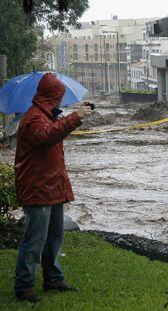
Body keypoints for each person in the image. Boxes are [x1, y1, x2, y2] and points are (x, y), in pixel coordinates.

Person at [13, 72, 92, 302]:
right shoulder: (33, 118)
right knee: (35, 239)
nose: (60, 100)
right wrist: (74, 117)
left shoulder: (46, 115)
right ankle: (24, 285)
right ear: (52, 96)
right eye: (59, 96)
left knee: (54, 236)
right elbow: (45, 137)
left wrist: (67, 117)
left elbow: (52, 134)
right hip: (39, 188)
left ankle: (53, 278)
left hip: (52, 186)